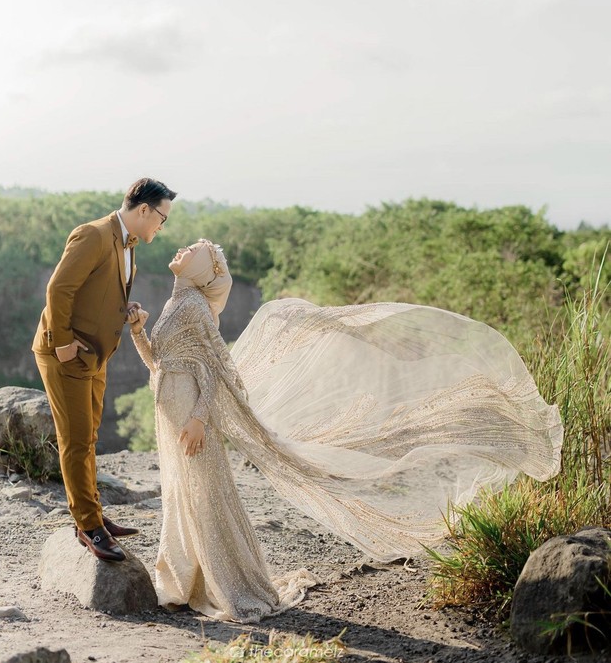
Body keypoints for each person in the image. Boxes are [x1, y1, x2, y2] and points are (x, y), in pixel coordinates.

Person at [129, 239, 563, 622]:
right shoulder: (175, 303)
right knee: (180, 494)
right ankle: (185, 583)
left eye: (196, 252)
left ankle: (234, 587)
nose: (183, 250)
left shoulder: (195, 307)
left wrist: (201, 417)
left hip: (190, 418)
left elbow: (219, 369)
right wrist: (137, 331)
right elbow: (158, 364)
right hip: (170, 410)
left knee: (205, 496)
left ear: (206, 270)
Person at [32, 177, 177, 562]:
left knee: (90, 436)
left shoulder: (127, 244)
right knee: (76, 441)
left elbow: (98, 292)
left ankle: (91, 513)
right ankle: (89, 527)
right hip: (66, 354)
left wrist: (128, 311)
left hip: (94, 356)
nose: (161, 227)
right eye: (161, 218)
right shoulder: (94, 235)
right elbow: (58, 289)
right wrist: (62, 344)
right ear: (143, 209)